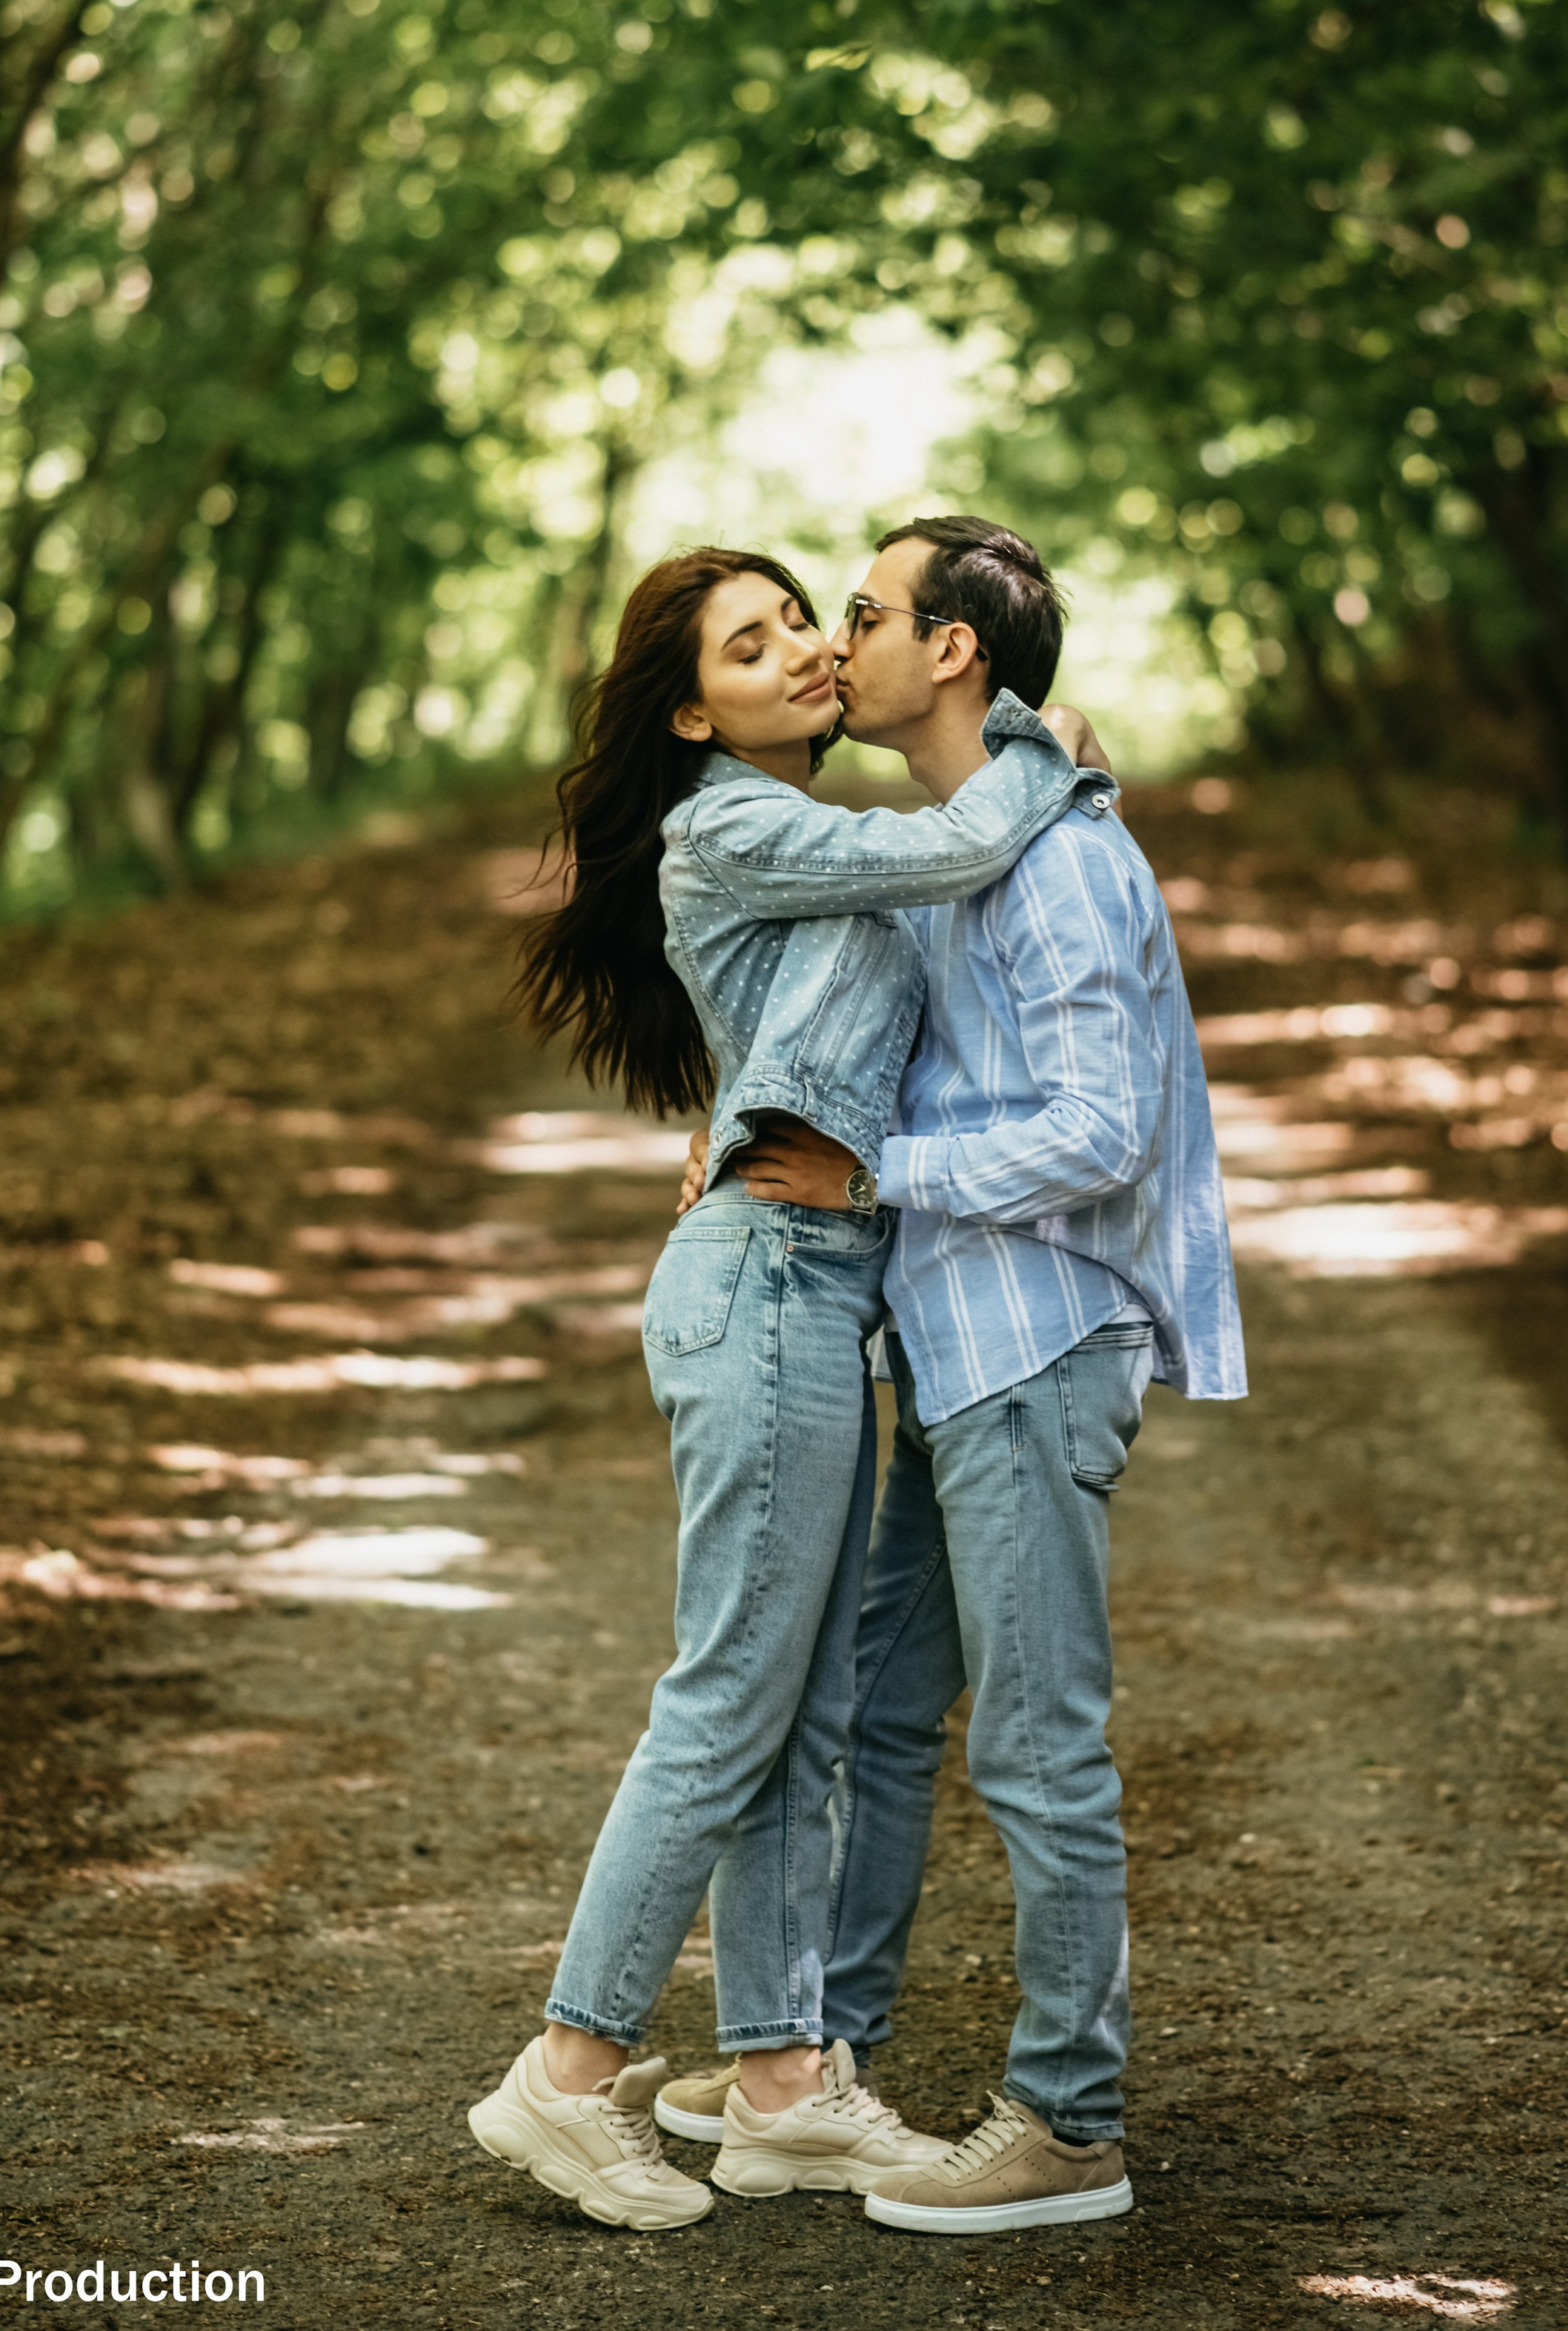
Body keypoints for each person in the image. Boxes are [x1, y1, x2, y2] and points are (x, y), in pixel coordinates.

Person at [463, 543, 1114, 2231]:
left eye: (801, 624)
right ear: (693, 709)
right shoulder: (730, 819)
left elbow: (875, 1005)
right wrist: (1044, 743)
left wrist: (740, 1122)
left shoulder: (813, 843)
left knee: (806, 1711)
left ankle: (779, 2086)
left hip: (819, 1285)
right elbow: (973, 832)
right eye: (749, 649)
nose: (803, 656)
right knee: (728, 1701)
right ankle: (566, 2069)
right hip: (762, 1288)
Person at [660, 515, 1246, 2236]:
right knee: (872, 1707)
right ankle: (811, 2066)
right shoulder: (953, 839)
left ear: (955, 656)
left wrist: (870, 1182)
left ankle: (1068, 2120)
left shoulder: (1057, 860)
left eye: (860, 615)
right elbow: (879, 1043)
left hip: (1039, 1339)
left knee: (1039, 1752)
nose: (838, 644)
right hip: (947, 1339)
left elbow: (1094, 1128)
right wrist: (739, 1135)